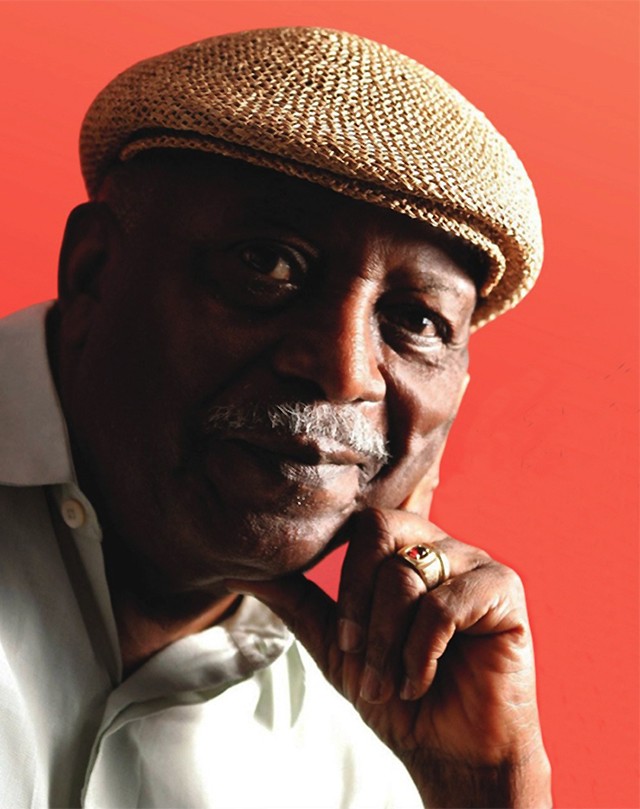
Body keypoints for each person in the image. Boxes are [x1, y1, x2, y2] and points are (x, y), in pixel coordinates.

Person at [0, 27, 552, 808]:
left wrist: (486, 790)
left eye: (416, 321)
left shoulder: (396, 733)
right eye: (268, 264)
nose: (344, 369)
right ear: (94, 272)